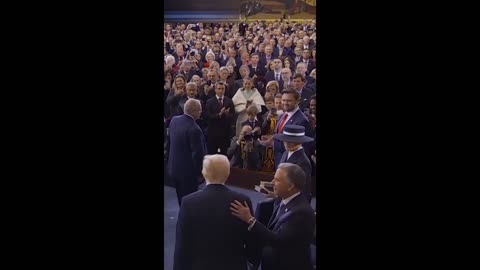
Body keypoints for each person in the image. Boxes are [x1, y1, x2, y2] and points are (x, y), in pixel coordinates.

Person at [174, 155, 254, 270]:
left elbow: (182, 244)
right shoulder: (242, 201)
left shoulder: (188, 203)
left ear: (204, 172)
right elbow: (251, 239)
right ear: (228, 173)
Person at [230, 163, 315, 270]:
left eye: (277, 180)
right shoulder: (286, 198)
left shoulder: (301, 213)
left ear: (291, 186)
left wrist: (250, 219)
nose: (272, 183)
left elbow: (278, 240)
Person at [167, 99, 207, 205]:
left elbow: (169, 143)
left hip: (174, 168)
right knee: (189, 203)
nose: (200, 113)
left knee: (181, 200)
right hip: (188, 175)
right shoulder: (195, 129)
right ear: (194, 111)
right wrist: (200, 174)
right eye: (200, 111)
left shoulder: (174, 120)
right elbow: (198, 155)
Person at [273, 125, 313, 203]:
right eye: (285, 140)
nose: (287, 143)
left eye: (291, 141)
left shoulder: (303, 162)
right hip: (280, 201)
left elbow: (303, 190)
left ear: (299, 142)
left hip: (292, 205)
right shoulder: (285, 153)